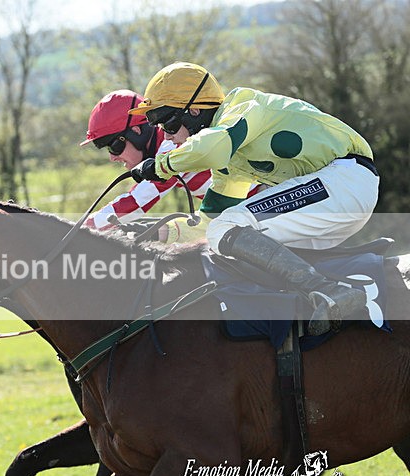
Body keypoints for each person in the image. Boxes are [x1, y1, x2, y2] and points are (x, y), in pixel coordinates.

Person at [128, 61, 379, 335]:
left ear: (194, 111)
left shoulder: (243, 108)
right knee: (223, 234)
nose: (166, 135)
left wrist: (161, 165)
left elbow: (211, 147)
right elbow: (210, 223)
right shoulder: (231, 161)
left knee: (231, 224)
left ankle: (330, 292)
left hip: (346, 180)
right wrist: (163, 233)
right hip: (333, 196)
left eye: (168, 124)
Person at [81, 89, 212, 238]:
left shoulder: (172, 147)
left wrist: (82, 228)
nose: (112, 157)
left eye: (114, 147)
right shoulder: (166, 142)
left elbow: (136, 202)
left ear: (136, 132)